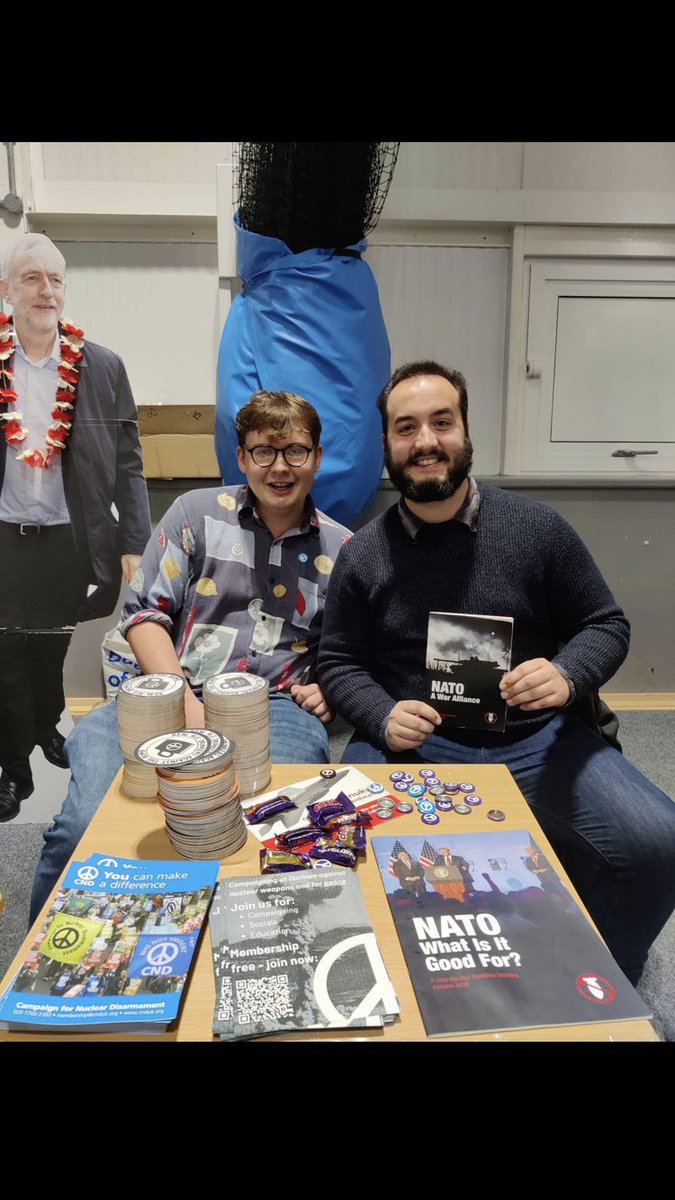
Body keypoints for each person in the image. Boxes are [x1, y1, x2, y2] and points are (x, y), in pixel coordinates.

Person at [317, 359, 675, 985]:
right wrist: (379, 714)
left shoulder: (538, 529)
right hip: (417, 744)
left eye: (441, 422)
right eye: (407, 427)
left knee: (656, 842)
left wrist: (567, 673)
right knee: (341, 857)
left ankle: (605, 982)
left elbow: (606, 624)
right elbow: (339, 660)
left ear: (465, 430)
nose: (426, 441)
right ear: (386, 446)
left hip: (535, 738)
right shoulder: (363, 553)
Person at [30, 389, 351, 921]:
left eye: (295, 450)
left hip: (277, 708)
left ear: (317, 457)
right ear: (242, 456)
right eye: (263, 452)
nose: (279, 467)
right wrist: (184, 700)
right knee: (87, 824)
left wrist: (329, 688)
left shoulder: (342, 549)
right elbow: (142, 615)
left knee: (278, 830)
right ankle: (38, 986)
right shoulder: (196, 513)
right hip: (167, 694)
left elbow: (348, 654)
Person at [0, 233, 150, 821]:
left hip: (72, 538)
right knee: (6, 650)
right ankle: (12, 765)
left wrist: (135, 542)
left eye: (55, 280)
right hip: (5, 535)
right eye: (32, 278)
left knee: (51, 644)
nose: (46, 291)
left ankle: (44, 726)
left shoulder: (102, 366)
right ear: (7, 290)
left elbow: (129, 460)